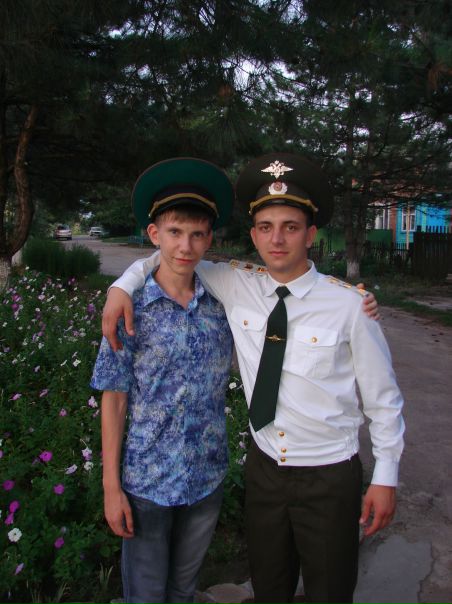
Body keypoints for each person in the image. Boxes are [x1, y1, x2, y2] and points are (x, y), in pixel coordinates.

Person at [102, 153, 401, 604]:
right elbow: (171, 253)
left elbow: (384, 399)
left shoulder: (349, 306)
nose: (276, 239)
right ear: (254, 234)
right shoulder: (236, 283)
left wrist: (386, 475)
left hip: (328, 474)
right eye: (265, 227)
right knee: (269, 588)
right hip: (263, 471)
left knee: (330, 590)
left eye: (290, 227)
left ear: (311, 234)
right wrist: (121, 286)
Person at [91, 157, 235, 604]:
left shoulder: (224, 306)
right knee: (146, 596)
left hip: (206, 477)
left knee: (182, 591)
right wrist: (111, 487)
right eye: (174, 232)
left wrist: (353, 301)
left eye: (197, 234)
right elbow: (114, 399)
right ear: (154, 234)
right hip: (147, 483)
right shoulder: (129, 309)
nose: (185, 246)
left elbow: (284, 288)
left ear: (210, 238)